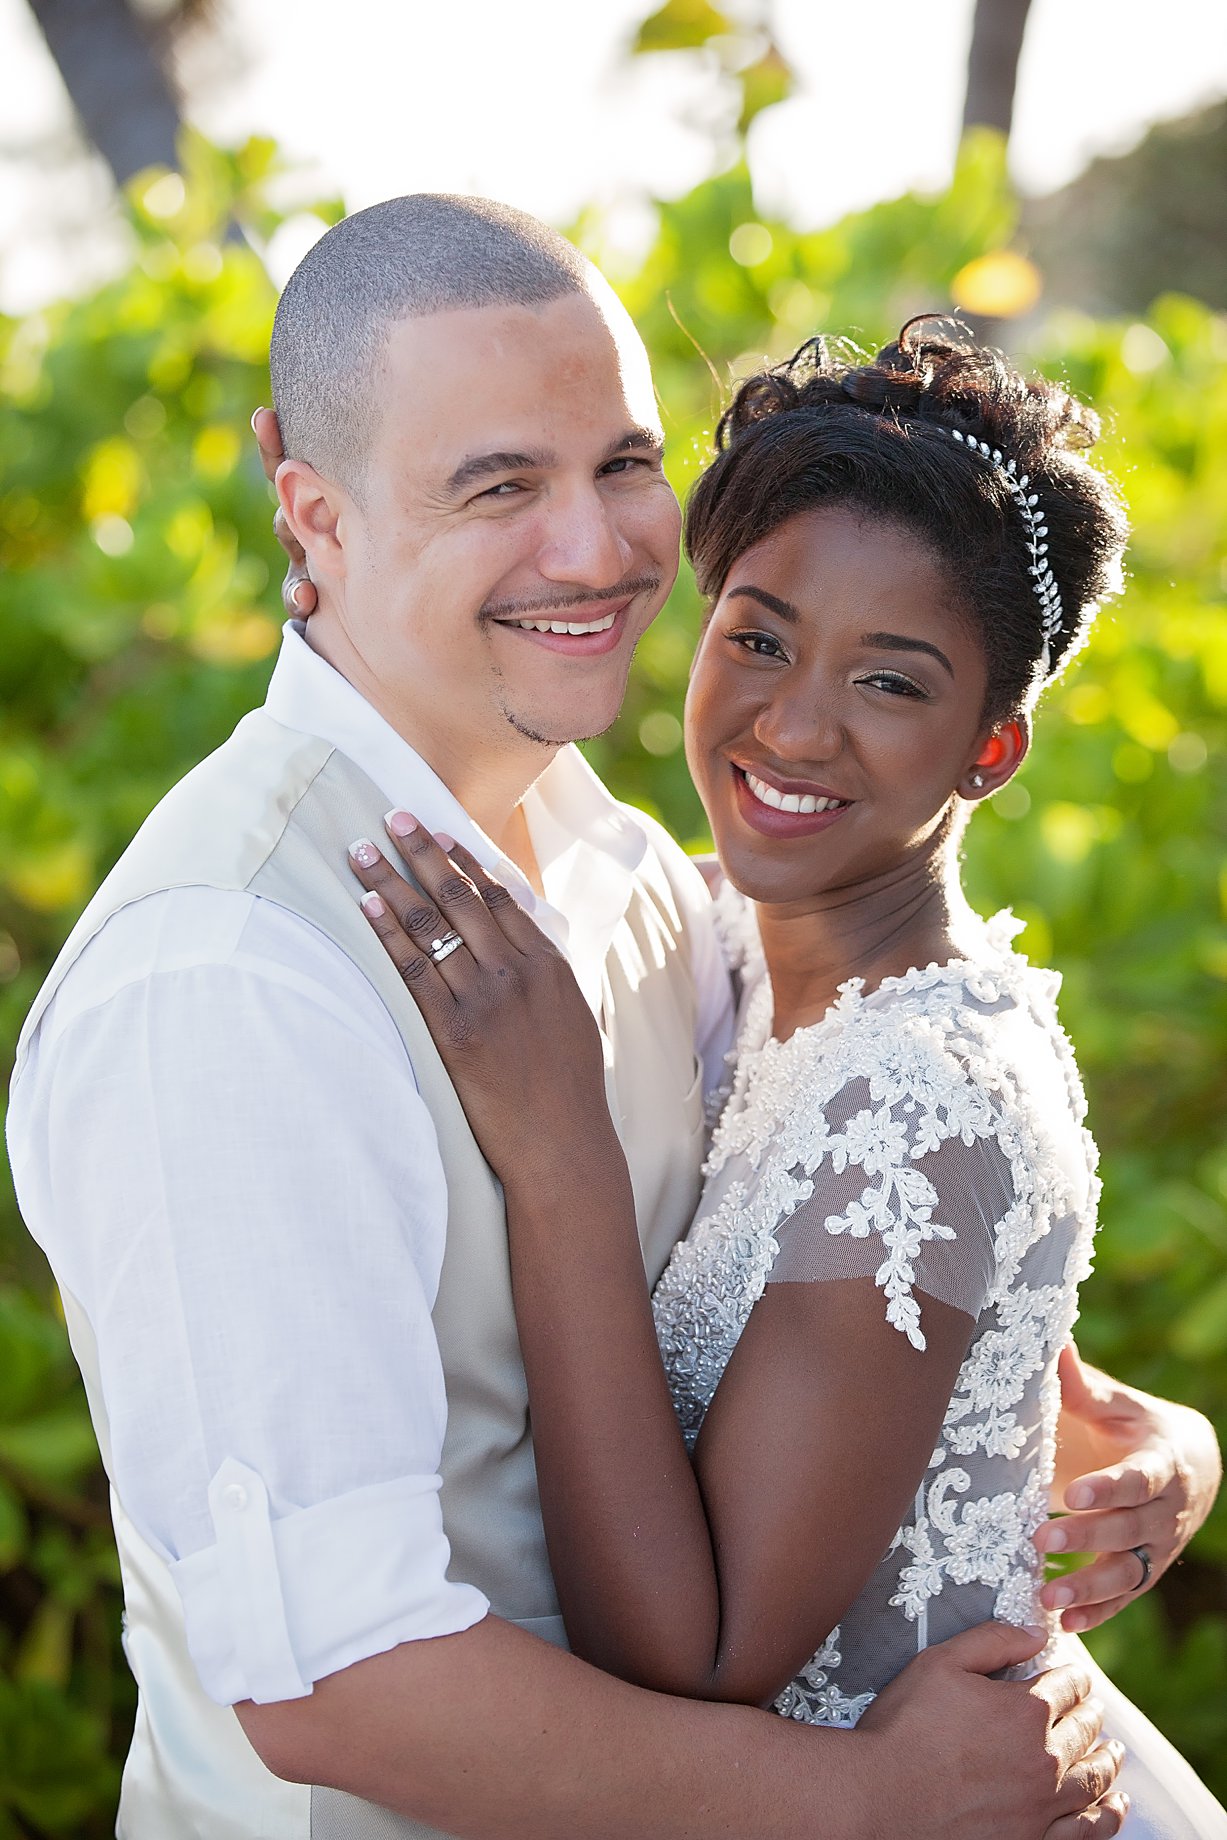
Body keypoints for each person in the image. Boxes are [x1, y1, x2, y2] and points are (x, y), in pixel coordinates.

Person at [0, 193, 1200, 1837]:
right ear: (312, 510)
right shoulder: (227, 977)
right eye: (499, 485)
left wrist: (1104, 1435)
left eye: (625, 465)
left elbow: (864, 1195)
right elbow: (335, 1680)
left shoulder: (631, 871)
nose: (597, 548)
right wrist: (861, 1801)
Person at [342, 322, 1227, 1836]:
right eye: (758, 637)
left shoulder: (918, 1098)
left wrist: (561, 1157)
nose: (794, 726)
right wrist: (1181, 1445)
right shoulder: (730, 934)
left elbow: (700, 1653)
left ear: (991, 749)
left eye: (891, 683)